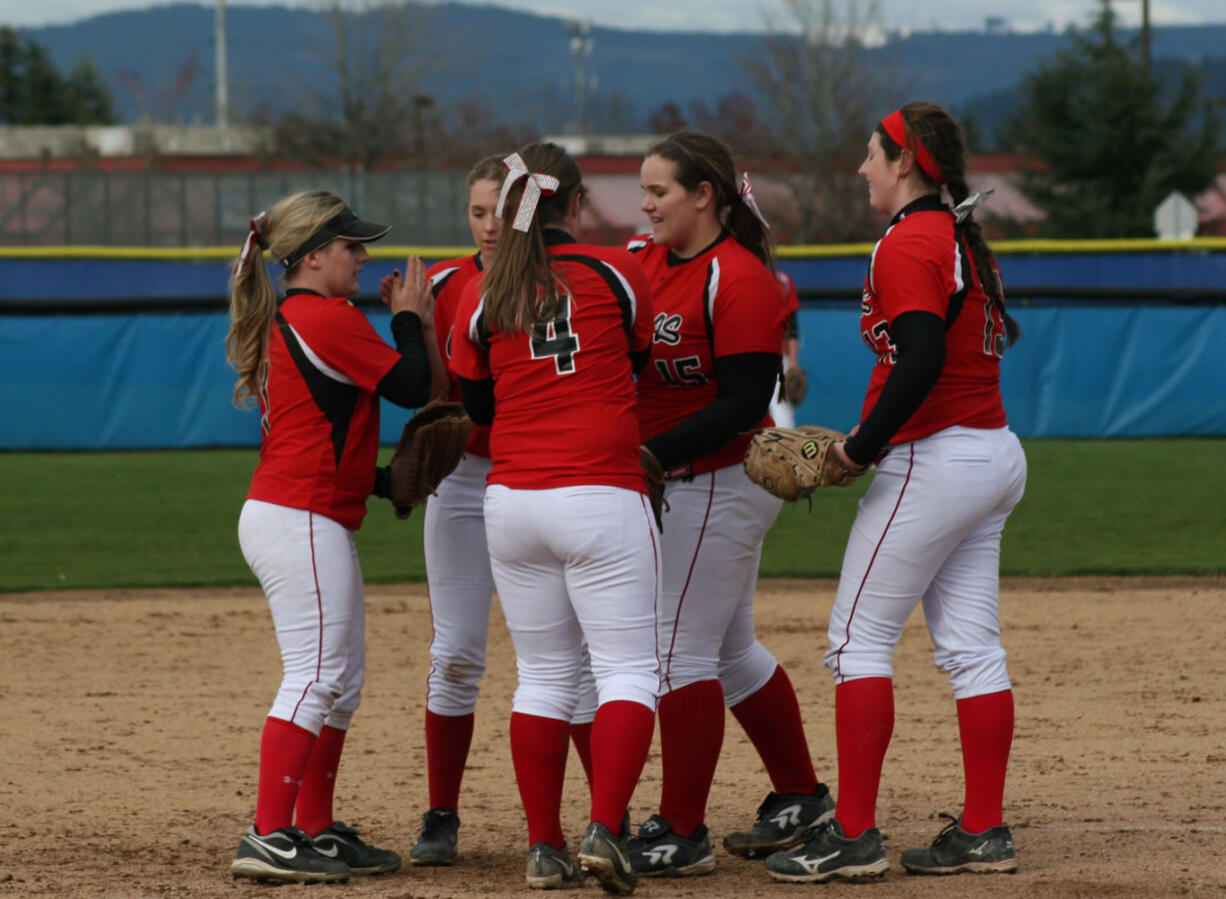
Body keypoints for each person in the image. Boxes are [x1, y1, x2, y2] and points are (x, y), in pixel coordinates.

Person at [764, 101, 1026, 883]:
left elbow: (919, 360)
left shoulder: (914, 239)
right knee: (974, 651)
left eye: (872, 154)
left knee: (856, 642)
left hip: (935, 461)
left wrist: (857, 446)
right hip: (991, 454)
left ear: (905, 161)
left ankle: (853, 833)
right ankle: (982, 829)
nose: (861, 167)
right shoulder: (957, 238)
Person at [449, 143, 660, 894]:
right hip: (600, 490)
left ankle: (545, 845)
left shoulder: (483, 293)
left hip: (512, 499)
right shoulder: (613, 269)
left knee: (541, 679)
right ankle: (606, 826)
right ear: (574, 205)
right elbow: (635, 359)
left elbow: (477, 406)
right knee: (629, 670)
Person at [624, 128, 835, 878]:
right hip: (677, 478)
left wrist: (653, 454)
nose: (645, 204)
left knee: (677, 650)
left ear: (703, 195)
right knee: (727, 649)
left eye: (659, 191)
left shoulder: (737, 278)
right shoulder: (640, 264)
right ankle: (803, 794)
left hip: (718, 481)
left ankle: (681, 831)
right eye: (643, 190)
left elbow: (747, 401)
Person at [224, 190, 441, 884]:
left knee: (340, 680)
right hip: (298, 515)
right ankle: (267, 832)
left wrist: (377, 483)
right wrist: (411, 317)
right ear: (313, 256)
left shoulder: (305, 314)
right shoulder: (323, 314)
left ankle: (311, 825)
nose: (363, 255)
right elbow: (412, 384)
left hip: (307, 509)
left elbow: (319, 431)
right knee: (316, 675)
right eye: (351, 246)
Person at [767, 270, 804, 429]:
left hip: (778, 355)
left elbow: (792, 326)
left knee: (782, 410)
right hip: (751, 355)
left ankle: (783, 451)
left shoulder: (783, 281)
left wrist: (793, 364)